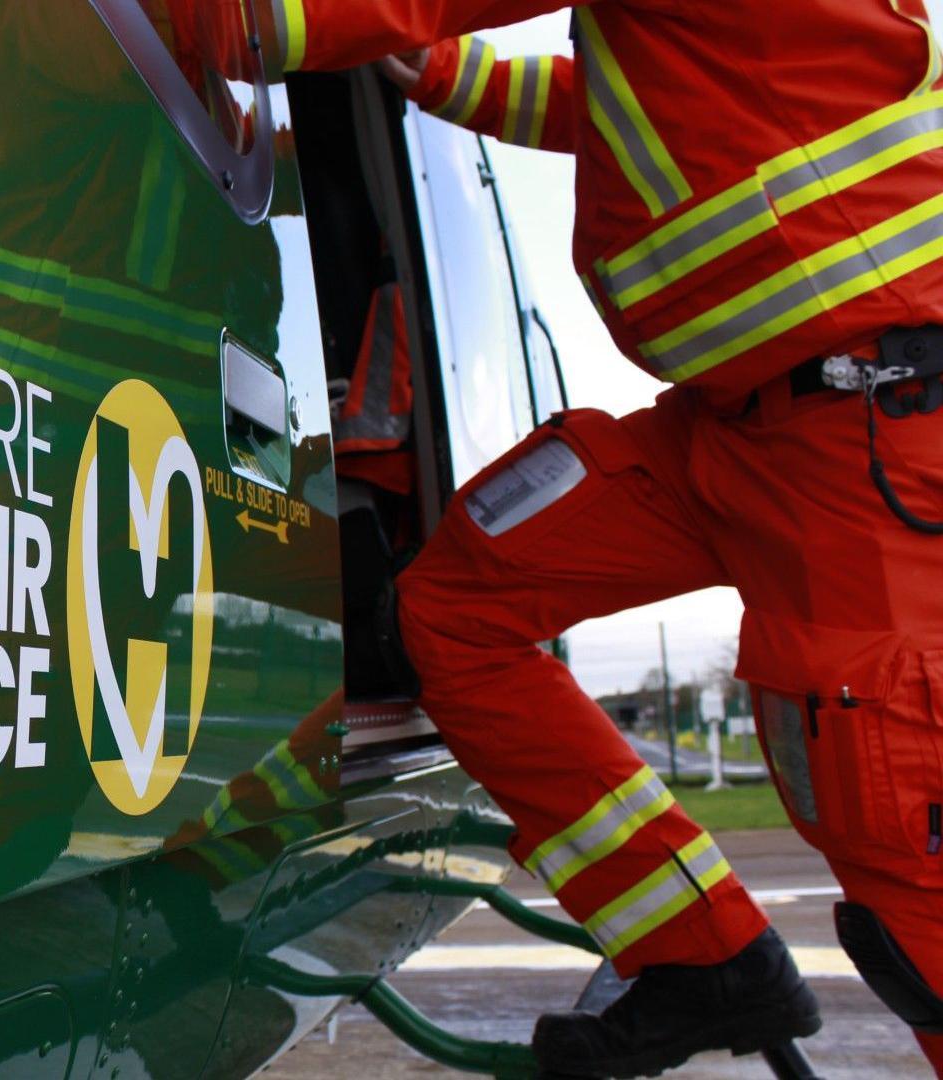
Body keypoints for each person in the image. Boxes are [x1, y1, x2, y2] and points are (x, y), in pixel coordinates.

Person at [223, 1, 943, 1075]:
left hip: (864, 430)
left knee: (911, 870)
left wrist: (182, 21)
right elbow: (609, 108)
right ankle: (703, 958)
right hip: (730, 431)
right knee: (456, 606)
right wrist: (435, 69)